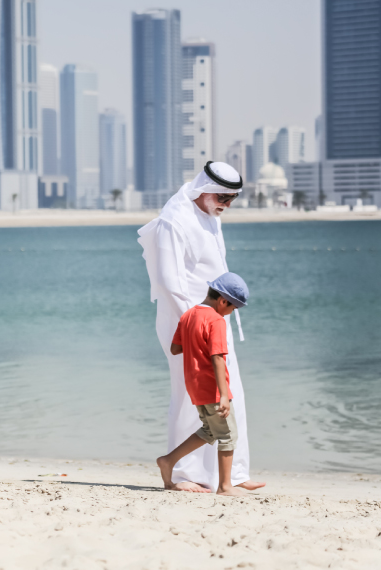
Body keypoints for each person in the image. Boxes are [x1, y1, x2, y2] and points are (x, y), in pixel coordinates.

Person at [138, 161, 264, 493]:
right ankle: (183, 474)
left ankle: (233, 474)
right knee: (189, 397)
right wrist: (194, 324)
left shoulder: (210, 217)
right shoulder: (173, 220)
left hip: (214, 319)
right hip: (186, 324)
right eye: (222, 195)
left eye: (232, 198)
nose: (227, 203)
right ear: (204, 189)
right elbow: (169, 282)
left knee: (229, 389)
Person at [157, 273, 250, 497]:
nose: (232, 312)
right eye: (233, 307)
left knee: (210, 431)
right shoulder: (216, 320)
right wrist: (225, 395)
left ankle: (168, 461)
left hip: (195, 386)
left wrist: (196, 342)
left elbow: (175, 349)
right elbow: (218, 357)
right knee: (228, 435)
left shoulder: (189, 315)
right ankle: (225, 486)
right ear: (223, 301)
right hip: (212, 388)